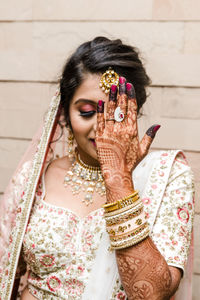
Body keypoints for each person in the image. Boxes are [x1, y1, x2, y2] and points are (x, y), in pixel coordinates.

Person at [0, 36, 194, 300]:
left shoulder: (169, 176)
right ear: (66, 114)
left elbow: (151, 295)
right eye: (88, 111)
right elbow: (5, 277)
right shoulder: (33, 179)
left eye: (116, 114)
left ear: (136, 112)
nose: (101, 128)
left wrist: (119, 179)